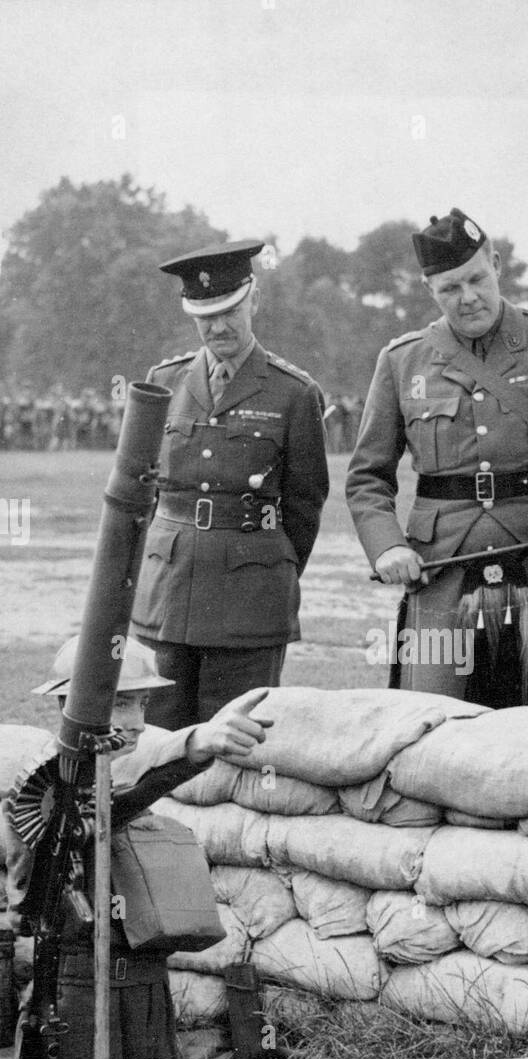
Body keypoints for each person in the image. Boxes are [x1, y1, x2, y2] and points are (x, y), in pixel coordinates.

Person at [345, 208, 528, 707]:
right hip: (444, 566)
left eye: (477, 279)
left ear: (497, 265)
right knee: (432, 724)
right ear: (430, 291)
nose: (468, 298)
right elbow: (367, 478)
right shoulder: (403, 360)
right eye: (449, 289)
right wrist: (387, 547)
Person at [3, 636, 273, 1059]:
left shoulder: (123, 770)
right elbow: (109, 802)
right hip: (79, 993)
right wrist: (193, 744)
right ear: (77, 706)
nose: (137, 723)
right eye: (122, 704)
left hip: (146, 988)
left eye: (143, 703)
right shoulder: (44, 790)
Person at [131, 239, 329, 728]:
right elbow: (144, 493)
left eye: (229, 311)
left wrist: (263, 569)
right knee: (158, 743)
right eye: (205, 315)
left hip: (249, 605)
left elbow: (305, 506)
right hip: (167, 594)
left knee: (234, 744)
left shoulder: (294, 392)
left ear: (254, 301)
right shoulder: (165, 381)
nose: (218, 326)